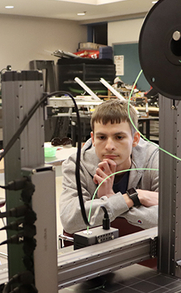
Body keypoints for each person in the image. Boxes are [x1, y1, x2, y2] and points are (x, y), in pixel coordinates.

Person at [59, 99, 159, 235]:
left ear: (135, 139)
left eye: (119, 137)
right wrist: (133, 198)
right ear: (93, 139)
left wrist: (107, 204)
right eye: (102, 137)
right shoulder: (76, 165)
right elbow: (70, 220)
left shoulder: (156, 160)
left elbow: (172, 216)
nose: (109, 146)